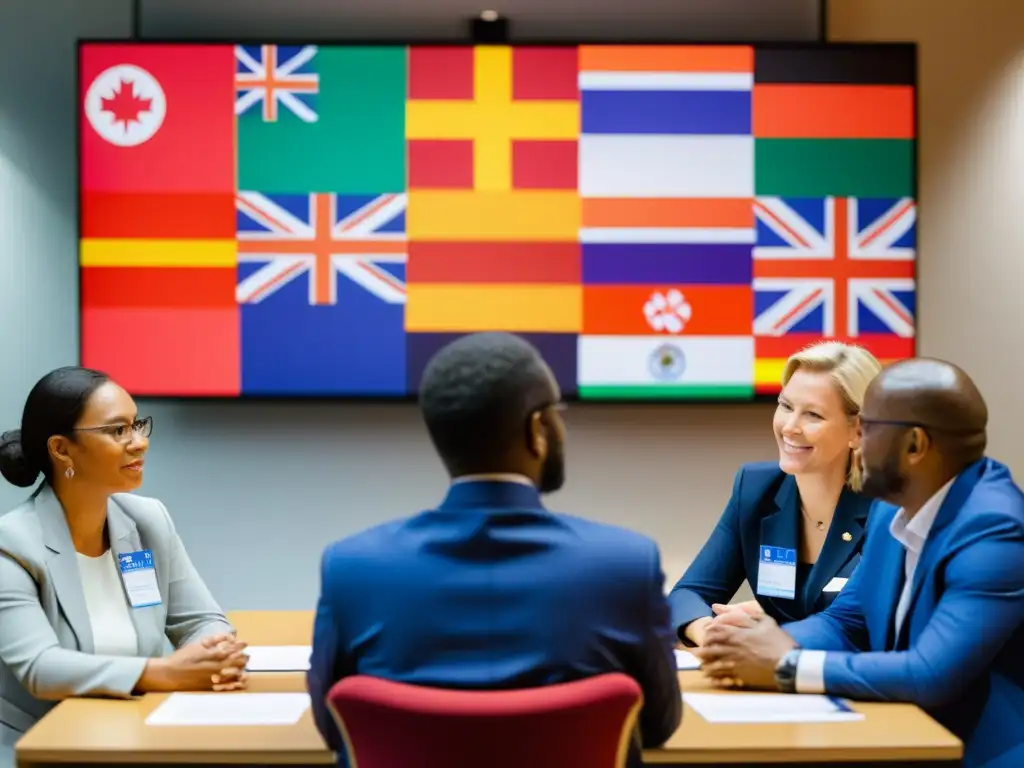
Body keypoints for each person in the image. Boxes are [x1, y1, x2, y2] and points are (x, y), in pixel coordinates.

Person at [307, 332, 681, 767]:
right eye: (557, 414)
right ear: (537, 430)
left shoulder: (352, 567)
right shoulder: (625, 564)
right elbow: (657, 725)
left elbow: (335, 728)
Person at [698, 358, 1024, 768]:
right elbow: (846, 620)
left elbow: (930, 674)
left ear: (914, 445)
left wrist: (786, 664)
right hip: (897, 727)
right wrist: (758, 643)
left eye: (866, 428)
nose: (856, 439)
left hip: (978, 749)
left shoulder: (995, 530)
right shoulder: (890, 510)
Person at [0, 367, 248, 760]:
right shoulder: (12, 544)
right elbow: (41, 668)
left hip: (134, 735)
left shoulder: (147, 520)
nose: (139, 443)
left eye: (138, 425)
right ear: (61, 449)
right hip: (39, 747)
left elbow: (202, 619)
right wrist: (164, 673)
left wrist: (211, 654)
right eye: (118, 431)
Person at [668, 342, 882, 645]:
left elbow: (855, 624)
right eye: (785, 406)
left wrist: (765, 637)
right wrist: (710, 632)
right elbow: (687, 595)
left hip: (849, 683)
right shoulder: (756, 489)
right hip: (764, 678)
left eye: (813, 415)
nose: (789, 427)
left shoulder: (888, 507)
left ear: (857, 431)